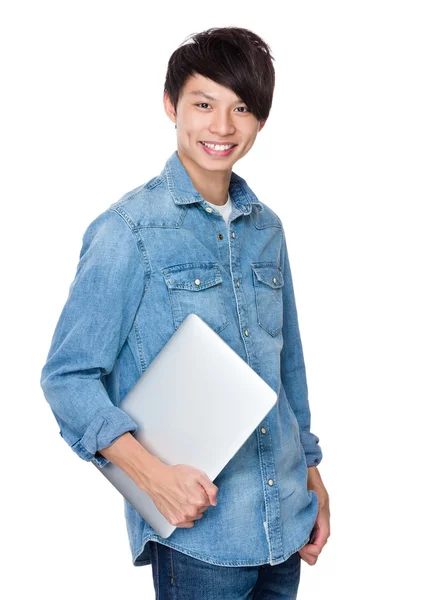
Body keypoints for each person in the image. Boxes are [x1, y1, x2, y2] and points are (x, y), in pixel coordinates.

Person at [40, 26, 330, 599]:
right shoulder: (128, 231)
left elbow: (286, 368)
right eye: (203, 104)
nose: (221, 127)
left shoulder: (268, 228)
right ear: (170, 105)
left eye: (241, 108)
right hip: (200, 540)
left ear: (260, 121)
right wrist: (152, 478)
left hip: (285, 525)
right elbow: (67, 378)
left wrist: (313, 478)